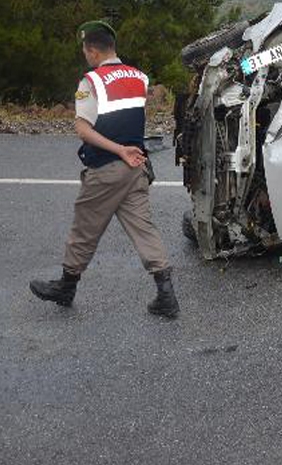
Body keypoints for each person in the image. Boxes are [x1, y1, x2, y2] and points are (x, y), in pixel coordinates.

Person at [30, 21, 179, 317]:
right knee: (144, 229)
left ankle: (66, 287)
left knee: (84, 228)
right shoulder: (139, 77)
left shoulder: (91, 82)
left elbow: (83, 130)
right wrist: (127, 149)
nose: (85, 55)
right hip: (136, 168)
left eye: (85, 50)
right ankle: (166, 294)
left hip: (106, 167)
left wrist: (118, 149)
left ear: (93, 50)